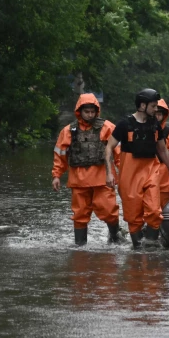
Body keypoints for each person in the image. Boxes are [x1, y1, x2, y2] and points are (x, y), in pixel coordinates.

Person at [104, 88, 169, 248]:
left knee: (154, 211)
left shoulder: (155, 125)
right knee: (133, 218)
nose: (156, 109)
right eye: (153, 106)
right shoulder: (124, 124)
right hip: (129, 175)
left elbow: (162, 150)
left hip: (151, 172)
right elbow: (108, 147)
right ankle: (138, 251)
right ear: (142, 106)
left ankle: (152, 245)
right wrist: (109, 173)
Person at [52, 93, 123, 245]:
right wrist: (56, 175)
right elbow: (60, 155)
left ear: (97, 111)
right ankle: (80, 245)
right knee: (79, 214)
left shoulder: (108, 128)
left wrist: (123, 174)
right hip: (78, 181)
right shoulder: (68, 131)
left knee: (109, 210)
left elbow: (119, 153)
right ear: (79, 111)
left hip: (103, 179)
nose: (90, 115)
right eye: (87, 111)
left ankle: (115, 237)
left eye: (92, 111)